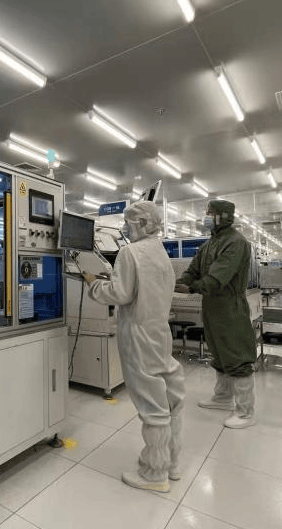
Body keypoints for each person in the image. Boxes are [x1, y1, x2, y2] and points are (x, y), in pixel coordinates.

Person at [82, 201, 184, 492]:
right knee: (170, 399)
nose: (125, 229)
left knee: (152, 406)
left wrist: (93, 284)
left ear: (142, 223)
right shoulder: (160, 251)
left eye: (128, 223)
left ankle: (154, 473)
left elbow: (120, 293)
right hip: (159, 332)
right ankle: (171, 463)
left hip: (139, 335)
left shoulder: (130, 252)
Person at [176, 199, 257, 429]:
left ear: (224, 216)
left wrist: (191, 288)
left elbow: (216, 279)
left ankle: (246, 412)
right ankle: (223, 397)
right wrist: (179, 282)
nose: (206, 217)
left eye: (210, 213)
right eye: (207, 212)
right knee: (219, 354)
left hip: (230, 308)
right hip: (211, 307)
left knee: (237, 356)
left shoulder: (236, 242)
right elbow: (193, 270)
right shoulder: (209, 244)